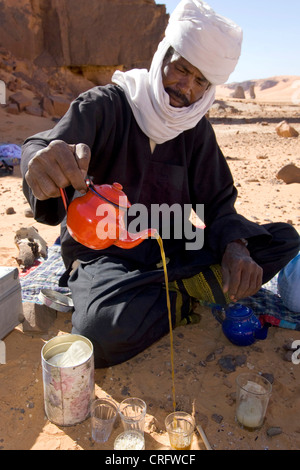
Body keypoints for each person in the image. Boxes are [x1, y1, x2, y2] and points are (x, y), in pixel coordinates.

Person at [21, 0, 300, 368]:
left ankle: (161, 290)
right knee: (98, 331)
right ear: (162, 55)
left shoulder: (196, 129)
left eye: (201, 81)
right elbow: (44, 147)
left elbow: (218, 203)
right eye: (182, 69)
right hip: (106, 253)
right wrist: (38, 164)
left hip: (175, 244)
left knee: (282, 239)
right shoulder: (105, 105)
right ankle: (185, 294)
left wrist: (235, 246)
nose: (186, 87)